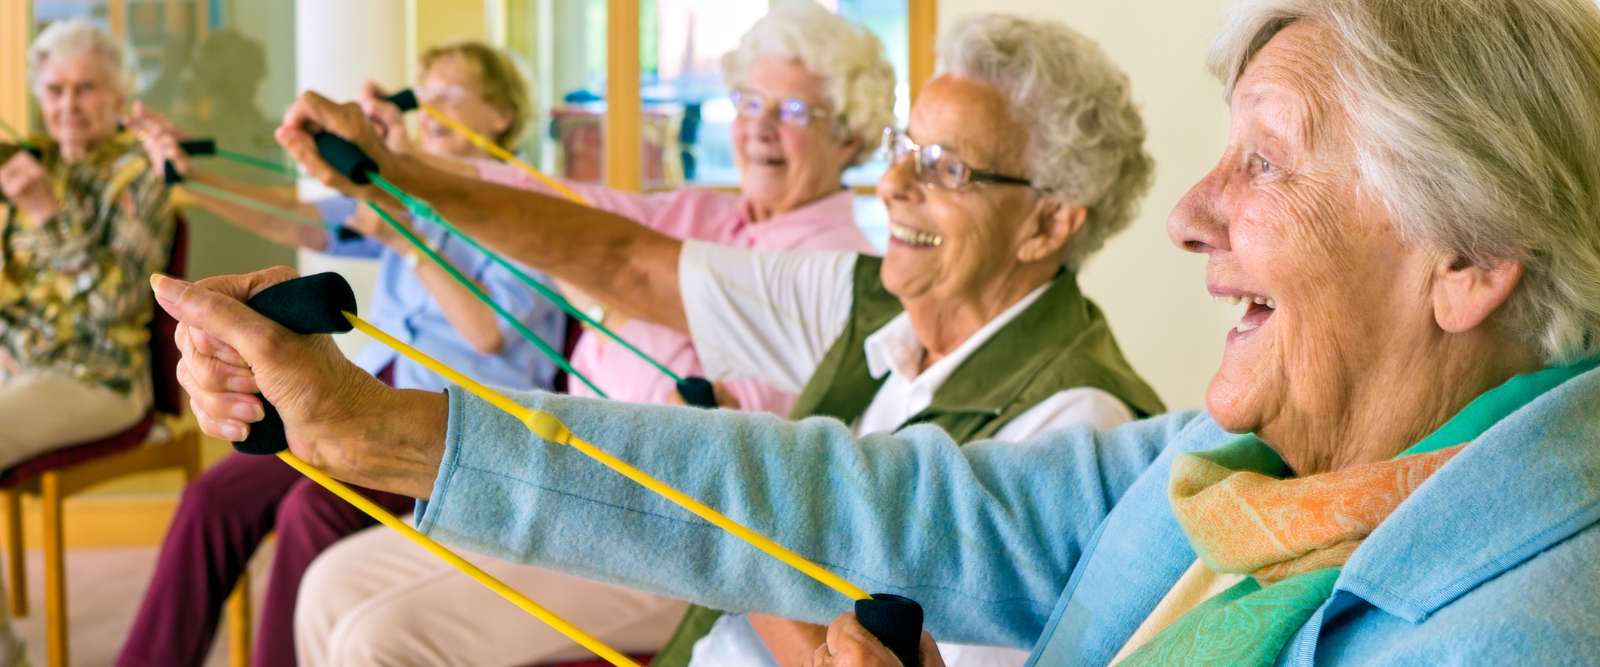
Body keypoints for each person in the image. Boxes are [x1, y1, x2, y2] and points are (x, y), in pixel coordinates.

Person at [169, 0, 1600, 663]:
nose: (1195, 216)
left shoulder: (1528, 630)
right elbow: (845, 487)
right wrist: (391, 424)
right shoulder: (1235, 460)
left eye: (1269, 163)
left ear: (1467, 256)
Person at [292, 5, 897, 665]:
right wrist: (398, 164)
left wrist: (622, 308)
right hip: (565, 481)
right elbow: (572, 215)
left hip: (675, 534)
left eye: (794, 112)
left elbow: (731, 439)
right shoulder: (703, 210)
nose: (760, 127)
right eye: (750, 101)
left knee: (379, 637)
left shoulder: (838, 267)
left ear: (850, 133)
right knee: (328, 585)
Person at [116, 41, 566, 667]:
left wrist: (407, 237)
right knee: (211, 499)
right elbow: (292, 219)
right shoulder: (410, 196)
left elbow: (486, 333)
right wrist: (188, 176)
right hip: (373, 392)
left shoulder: (527, 211)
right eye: (425, 88)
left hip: (463, 423)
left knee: (311, 511)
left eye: (451, 92)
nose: (429, 104)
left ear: (500, 114)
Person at [0, 18, 182, 666]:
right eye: (54, 90)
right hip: (18, 372)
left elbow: (121, 306)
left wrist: (51, 215)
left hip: (100, 377)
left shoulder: (141, 179)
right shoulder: (29, 168)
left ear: (120, 95)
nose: (68, 105)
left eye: (86, 89)